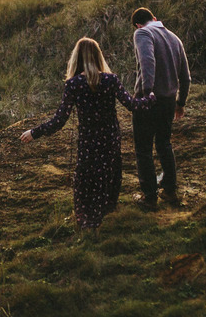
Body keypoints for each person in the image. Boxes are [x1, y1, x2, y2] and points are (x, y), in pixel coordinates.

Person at [20, 37, 155, 229]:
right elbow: (132, 105)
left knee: (87, 180)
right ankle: (107, 216)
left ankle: (89, 221)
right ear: (98, 56)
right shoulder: (111, 80)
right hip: (110, 139)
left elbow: (59, 120)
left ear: (77, 58)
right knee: (108, 176)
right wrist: (150, 98)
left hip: (88, 143)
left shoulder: (73, 85)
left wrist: (35, 132)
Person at [130, 7, 191, 210]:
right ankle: (170, 187)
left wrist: (146, 94)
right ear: (154, 18)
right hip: (168, 101)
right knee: (164, 143)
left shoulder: (142, 33)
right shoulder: (174, 38)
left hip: (149, 100)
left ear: (138, 24)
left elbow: (147, 62)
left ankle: (149, 196)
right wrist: (180, 103)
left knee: (143, 148)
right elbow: (186, 77)